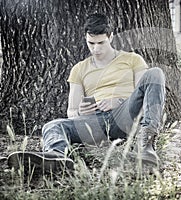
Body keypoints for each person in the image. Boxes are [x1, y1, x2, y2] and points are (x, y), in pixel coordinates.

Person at [7, 13, 166, 172]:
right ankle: (56, 157)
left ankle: (146, 149)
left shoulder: (133, 59)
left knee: (155, 73)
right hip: (94, 121)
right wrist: (79, 112)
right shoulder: (79, 69)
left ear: (110, 37)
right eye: (91, 43)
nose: (96, 49)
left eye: (100, 43)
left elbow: (143, 92)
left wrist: (118, 101)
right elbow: (71, 110)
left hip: (124, 114)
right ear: (85, 38)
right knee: (53, 125)